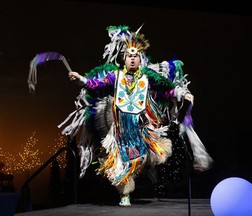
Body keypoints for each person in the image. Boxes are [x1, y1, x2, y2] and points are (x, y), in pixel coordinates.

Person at [60, 25, 213, 207]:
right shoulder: (114, 77)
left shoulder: (147, 77)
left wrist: (180, 94)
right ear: (124, 59)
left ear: (140, 59)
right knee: (120, 163)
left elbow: (163, 91)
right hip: (119, 130)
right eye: (129, 56)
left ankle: (146, 168)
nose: (132, 59)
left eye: (135, 56)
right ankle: (125, 194)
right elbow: (96, 84)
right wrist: (81, 80)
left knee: (146, 156)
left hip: (141, 128)